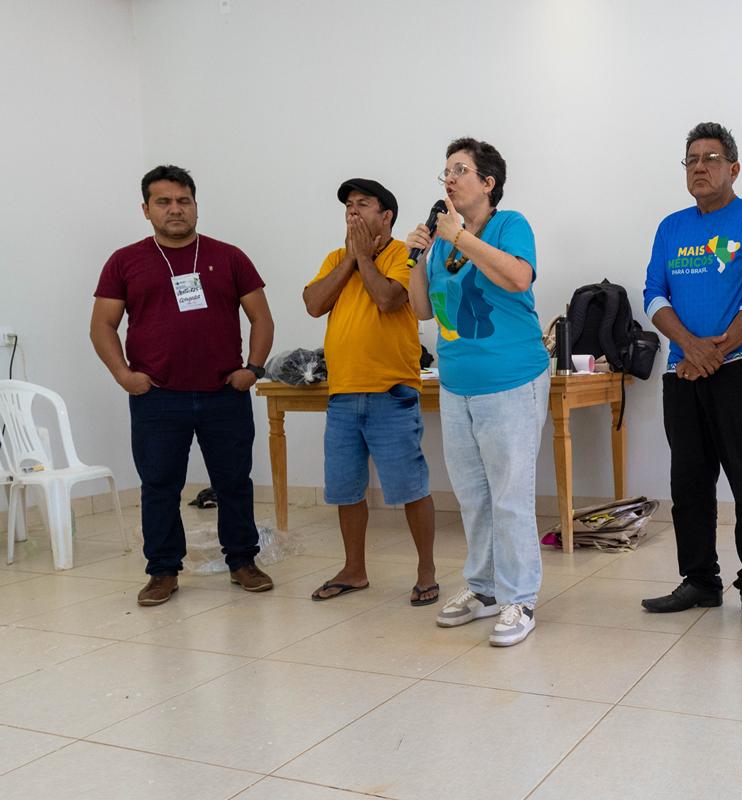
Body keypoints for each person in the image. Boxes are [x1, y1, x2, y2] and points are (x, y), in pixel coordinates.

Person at [90, 164, 275, 606]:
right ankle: (162, 571)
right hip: (156, 397)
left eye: (183, 201)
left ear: (195, 206)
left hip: (224, 394)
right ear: (146, 209)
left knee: (234, 482)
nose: (175, 209)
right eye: (164, 202)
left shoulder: (229, 256)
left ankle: (243, 562)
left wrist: (253, 368)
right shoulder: (125, 261)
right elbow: (102, 326)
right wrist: (124, 375)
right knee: (159, 485)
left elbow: (262, 318)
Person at [640, 122, 742, 633]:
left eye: (711, 158)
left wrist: (713, 352)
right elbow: (653, 294)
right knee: (689, 485)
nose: (699, 167)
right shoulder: (671, 228)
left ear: (733, 169)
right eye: (691, 160)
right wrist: (691, 347)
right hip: (683, 375)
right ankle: (700, 580)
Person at [405, 137, 547, 647]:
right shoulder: (443, 241)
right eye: (445, 171)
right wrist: (417, 259)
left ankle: (520, 598)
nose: (449, 178)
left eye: (460, 169)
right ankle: (484, 589)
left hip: (511, 380)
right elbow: (423, 310)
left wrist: (460, 237)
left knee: (510, 496)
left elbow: (518, 277)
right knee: (473, 495)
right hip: (457, 384)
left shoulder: (510, 225)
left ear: (488, 183)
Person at [303, 178, 438, 604]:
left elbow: (388, 299)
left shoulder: (405, 254)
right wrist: (351, 257)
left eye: (363, 204)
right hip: (342, 395)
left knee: (411, 487)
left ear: (387, 216)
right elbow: (313, 303)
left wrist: (363, 256)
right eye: (348, 205)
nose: (352, 211)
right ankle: (354, 570)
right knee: (345, 489)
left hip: (391, 393)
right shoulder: (335, 258)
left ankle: (426, 571)